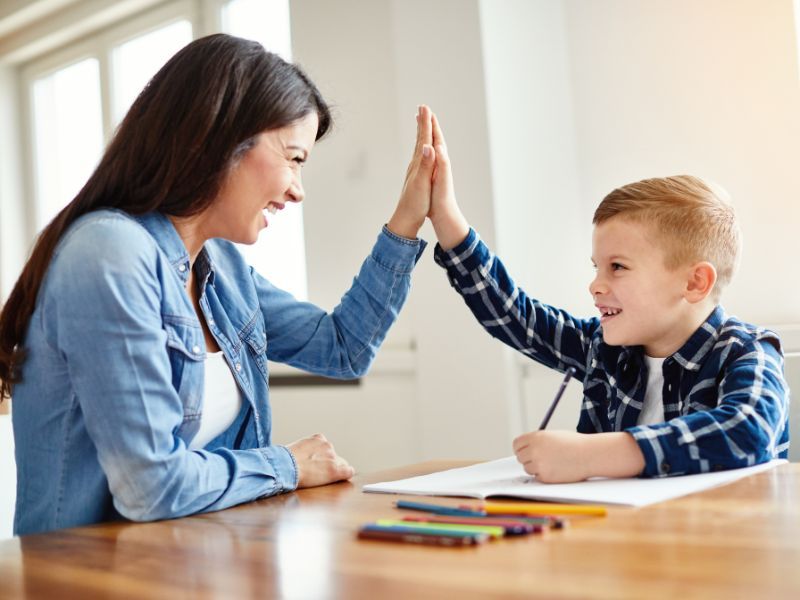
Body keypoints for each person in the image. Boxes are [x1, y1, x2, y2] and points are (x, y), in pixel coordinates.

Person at [0, 34, 438, 535]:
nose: (298, 190)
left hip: (199, 564)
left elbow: (344, 348)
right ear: (220, 138)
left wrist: (407, 220)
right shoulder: (109, 255)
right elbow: (152, 486)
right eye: (294, 158)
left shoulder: (220, 267)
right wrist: (287, 465)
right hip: (87, 579)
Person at [425, 115, 789, 483]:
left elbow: (748, 430)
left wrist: (592, 456)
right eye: (596, 267)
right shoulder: (603, 347)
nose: (595, 285)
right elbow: (516, 317)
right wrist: (446, 218)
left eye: (617, 267)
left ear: (695, 283)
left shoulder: (746, 352)